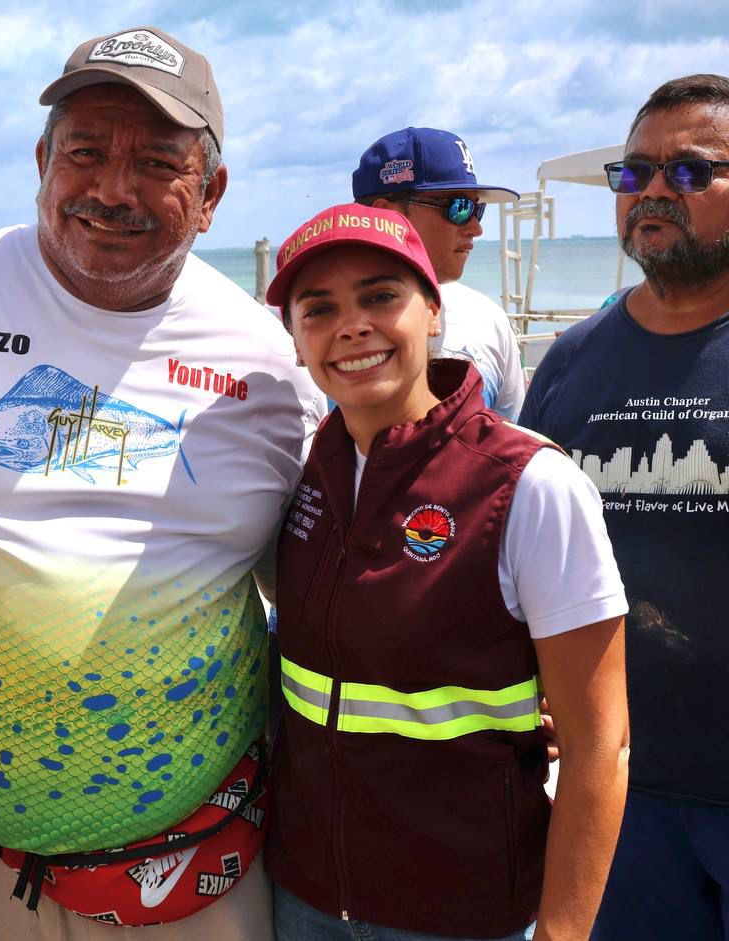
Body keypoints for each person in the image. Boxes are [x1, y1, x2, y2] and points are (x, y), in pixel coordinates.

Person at [0, 25, 325, 939]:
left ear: (212, 195)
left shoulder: (268, 364)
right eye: (86, 152)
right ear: (41, 162)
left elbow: (323, 577)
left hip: (203, 861)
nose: (111, 190)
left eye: (157, 164)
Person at [265, 203, 630, 940]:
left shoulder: (528, 483)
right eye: (319, 308)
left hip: (463, 912)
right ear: (296, 340)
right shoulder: (304, 473)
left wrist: (562, 932)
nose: (352, 326)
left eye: (380, 296)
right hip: (303, 896)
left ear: (433, 311)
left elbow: (601, 745)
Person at [520, 73, 729, 940]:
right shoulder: (570, 362)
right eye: (634, 172)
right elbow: (522, 557)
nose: (652, 191)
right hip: (619, 791)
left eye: (690, 172)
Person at [352, 127, 526, 418]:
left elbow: (513, 436)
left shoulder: (487, 321)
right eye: (459, 208)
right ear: (386, 215)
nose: (476, 228)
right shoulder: (312, 329)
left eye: (478, 209)